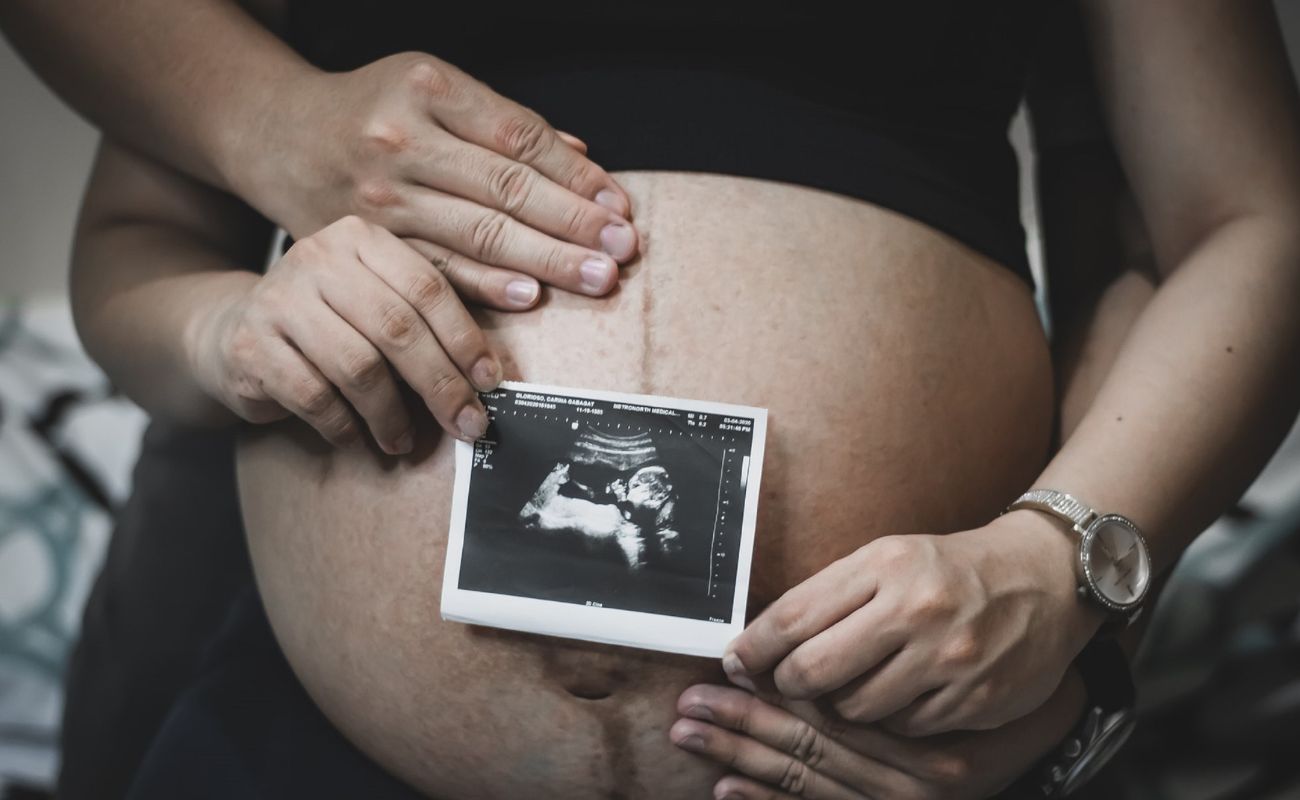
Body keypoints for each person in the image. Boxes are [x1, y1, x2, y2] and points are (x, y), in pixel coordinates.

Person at [6, 1, 1300, 798]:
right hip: (315, 732)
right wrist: (226, 326)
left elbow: (1245, 217)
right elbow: (136, 239)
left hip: (881, 758)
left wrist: (1066, 569)